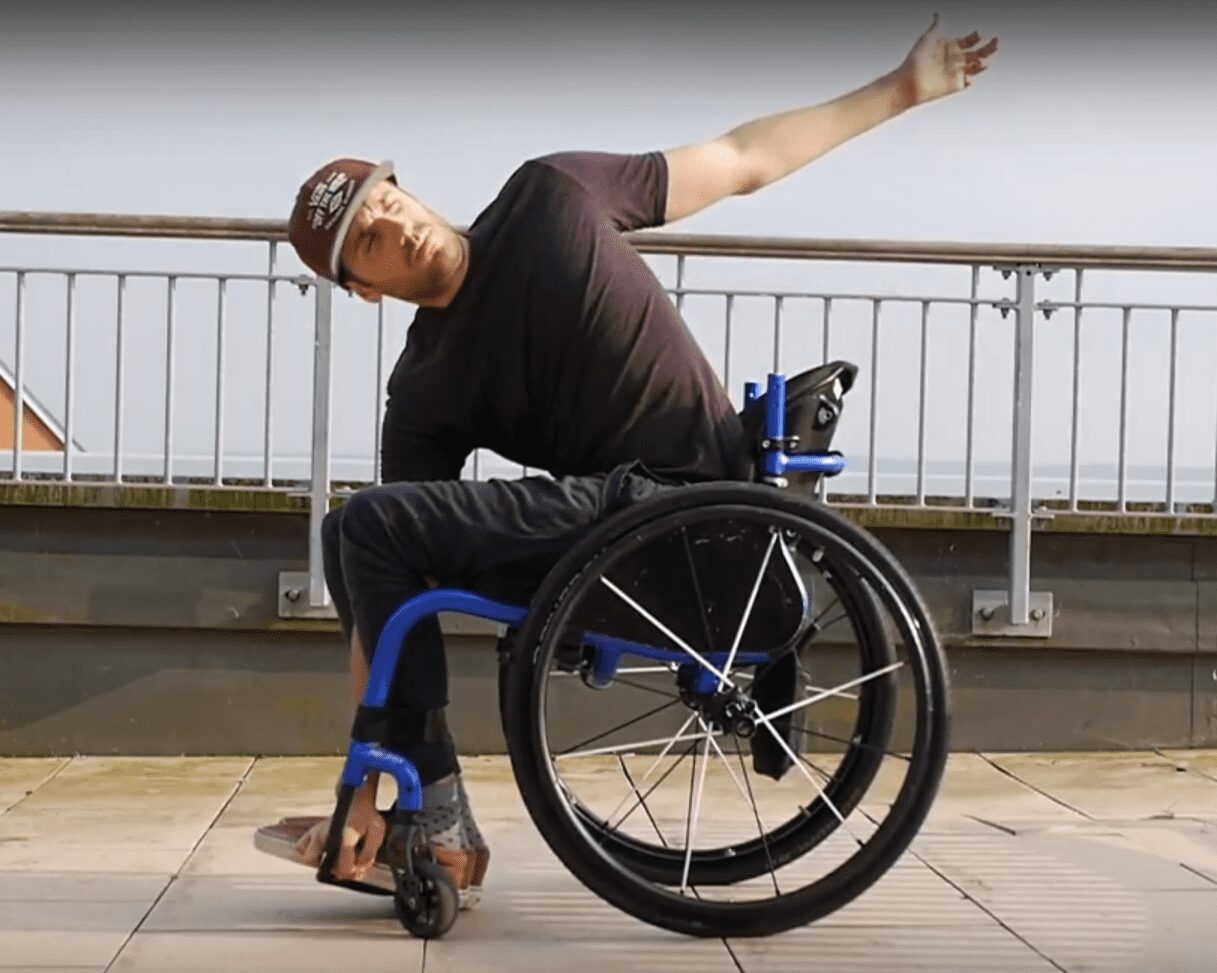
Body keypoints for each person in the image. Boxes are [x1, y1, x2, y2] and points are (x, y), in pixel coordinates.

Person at [255, 16, 997, 907]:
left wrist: (901, 87)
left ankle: (439, 821)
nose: (396, 229)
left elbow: (739, 157)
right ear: (364, 288)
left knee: (364, 522)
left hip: (701, 507)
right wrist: (366, 780)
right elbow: (383, 605)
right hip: (612, 544)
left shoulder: (549, 196)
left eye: (388, 205)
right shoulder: (423, 387)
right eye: (370, 243)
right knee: (362, 531)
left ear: (408, 190)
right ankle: (422, 806)